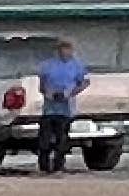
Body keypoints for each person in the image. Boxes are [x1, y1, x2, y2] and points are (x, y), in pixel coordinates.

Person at [35, 38, 91, 174]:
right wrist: (47, 92)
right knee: (45, 139)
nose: (66, 51)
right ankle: (44, 166)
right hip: (49, 109)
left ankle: (58, 166)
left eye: (68, 48)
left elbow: (84, 82)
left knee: (62, 139)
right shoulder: (48, 65)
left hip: (66, 109)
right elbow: (41, 84)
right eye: (63, 48)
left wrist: (71, 93)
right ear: (58, 50)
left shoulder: (77, 66)